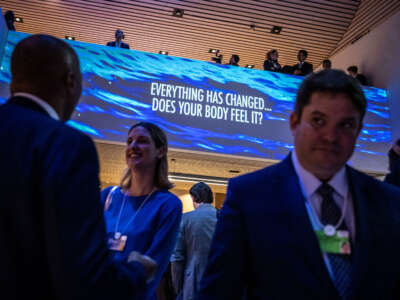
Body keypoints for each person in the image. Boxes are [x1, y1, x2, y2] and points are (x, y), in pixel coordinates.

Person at [197, 69, 400, 300]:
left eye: (345, 125)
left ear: (358, 131)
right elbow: (219, 292)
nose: (330, 136)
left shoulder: (388, 201)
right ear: (294, 122)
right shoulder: (249, 197)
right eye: (318, 121)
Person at [0, 34, 156, 299]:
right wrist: (137, 271)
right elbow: (85, 278)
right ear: (71, 81)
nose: (133, 147)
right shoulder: (67, 146)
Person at [101, 121, 182, 300]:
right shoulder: (108, 196)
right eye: (129, 141)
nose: (133, 146)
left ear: (160, 151)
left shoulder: (168, 205)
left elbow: (153, 267)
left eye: (142, 141)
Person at [171, 182, 218, 300]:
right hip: (219, 282)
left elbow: (177, 257)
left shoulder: (185, 219)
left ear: (193, 198)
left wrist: (178, 288)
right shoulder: (223, 217)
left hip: (192, 283)